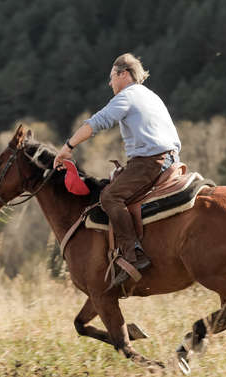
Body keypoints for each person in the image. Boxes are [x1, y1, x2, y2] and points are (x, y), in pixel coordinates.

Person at [54, 53, 181, 281]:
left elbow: (96, 123)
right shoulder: (151, 96)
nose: (110, 83)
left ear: (123, 74)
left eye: (111, 77)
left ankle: (132, 253)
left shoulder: (127, 96)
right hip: (172, 158)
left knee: (110, 198)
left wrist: (67, 147)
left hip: (150, 161)